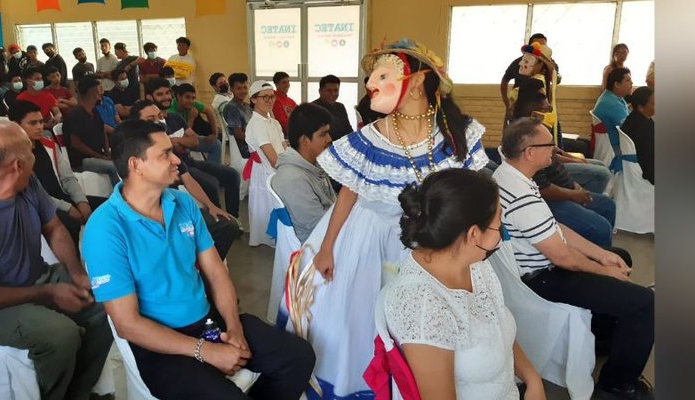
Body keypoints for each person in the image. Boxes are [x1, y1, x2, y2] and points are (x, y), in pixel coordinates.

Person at [279, 38, 489, 398]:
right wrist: (327, 248)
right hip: (371, 238)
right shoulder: (370, 137)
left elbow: (473, 192)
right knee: (366, 319)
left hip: (442, 239)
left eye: (383, 75)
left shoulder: (457, 130)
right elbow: (349, 192)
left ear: (419, 81)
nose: (370, 85)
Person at [81, 119, 315, 400]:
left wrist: (235, 329)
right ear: (136, 165)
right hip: (160, 345)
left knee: (299, 357)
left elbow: (216, 273)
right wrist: (205, 351)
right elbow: (127, 323)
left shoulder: (181, 203)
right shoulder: (105, 228)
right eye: (165, 154)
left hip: (207, 322)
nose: (176, 160)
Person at [0, 121, 113, 400]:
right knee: (62, 335)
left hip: (37, 278)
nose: (35, 153)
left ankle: (78, 391)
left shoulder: (26, 182)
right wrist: (48, 291)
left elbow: (55, 228)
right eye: (30, 150)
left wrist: (77, 273)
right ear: (16, 165)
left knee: (108, 299)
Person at [493, 117, 654, 400]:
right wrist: (604, 271)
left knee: (619, 255)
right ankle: (616, 385)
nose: (554, 151)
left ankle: (602, 336)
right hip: (541, 278)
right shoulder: (522, 196)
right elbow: (563, 257)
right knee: (645, 304)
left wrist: (603, 255)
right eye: (549, 145)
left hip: (544, 263)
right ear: (530, 152)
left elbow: (556, 227)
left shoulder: (511, 175)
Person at [378, 168, 544, 399]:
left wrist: (533, 379)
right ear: (474, 234)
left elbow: (498, 328)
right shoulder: (425, 308)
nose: (502, 232)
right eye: (499, 223)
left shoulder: (475, 265)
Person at [130, 100, 241, 259]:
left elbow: (188, 179)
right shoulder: (133, 156)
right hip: (151, 217)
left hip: (176, 209)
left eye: (160, 116)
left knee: (228, 225)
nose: (158, 121)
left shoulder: (167, 149)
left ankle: (206, 266)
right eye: (150, 119)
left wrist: (211, 206)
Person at [511, 84, 616, 247]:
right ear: (531, 106)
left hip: (563, 187)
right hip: (549, 201)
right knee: (601, 227)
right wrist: (573, 195)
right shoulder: (525, 137)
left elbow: (554, 158)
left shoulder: (536, 128)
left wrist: (575, 186)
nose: (548, 105)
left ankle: (593, 248)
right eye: (543, 100)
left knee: (608, 205)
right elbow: (542, 188)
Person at [145, 78, 242, 220]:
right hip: (174, 168)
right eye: (160, 94)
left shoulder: (175, 118)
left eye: (167, 93)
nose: (166, 97)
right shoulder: (148, 122)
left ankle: (233, 219)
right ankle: (218, 220)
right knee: (211, 184)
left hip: (189, 161)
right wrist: (181, 142)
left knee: (232, 175)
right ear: (149, 97)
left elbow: (195, 141)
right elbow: (159, 148)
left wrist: (175, 140)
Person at [9, 100, 100, 242]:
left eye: (41, 122)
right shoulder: (11, 155)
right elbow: (32, 193)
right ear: (15, 125)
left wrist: (81, 201)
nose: (40, 127)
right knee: (69, 224)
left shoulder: (49, 145)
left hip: (62, 196)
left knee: (107, 208)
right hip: (37, 205)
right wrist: (68, 208)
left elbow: (67, 177)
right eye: (33, 123)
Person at [270, 103, 335, 243]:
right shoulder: (293, 179)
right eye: (323, 134)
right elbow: (318, 224)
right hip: (316, 244)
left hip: (328, 232)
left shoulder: (313, 163)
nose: (329, 139)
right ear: (304, 140)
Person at [245, 80, 287, 247]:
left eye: (272, 97)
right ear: (254, 100)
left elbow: (284, 147)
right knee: (266, 205)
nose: (270, 101)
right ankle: (269, 237)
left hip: (279, 168)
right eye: (265, 97)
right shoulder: (256, 124)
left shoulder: (273, 122)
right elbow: (272, 158)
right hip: (267, 172)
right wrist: (288, 171)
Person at [63, 76, 121, 187]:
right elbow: (76, 143)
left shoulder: (94, 111)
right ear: (95, 94)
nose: (101, 93)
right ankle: (121, 197)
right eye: (99, 90)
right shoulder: (75, 114)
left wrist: (106, 151)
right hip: (82, 160)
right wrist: (99, 156)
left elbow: (102, 131)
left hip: (98, 155)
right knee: (113, 167)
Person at [170, 83, 222, 164]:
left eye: (193, 98)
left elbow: (209, 111)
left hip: (190, 138)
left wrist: (214, 133)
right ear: (179, 97)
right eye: (187, 97)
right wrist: (191, 118)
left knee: (216, 144)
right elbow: (183, 138)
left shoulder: (192, 104)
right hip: (178, 144)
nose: (191, 101)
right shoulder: (171, 111)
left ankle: (211, 170)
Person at [593, 67, 633, 170]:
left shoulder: (613, 97)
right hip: (617, 147)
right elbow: (629, 130)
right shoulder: (612, 104)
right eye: (627, 80)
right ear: (616, 84)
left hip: (614, 144)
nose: (632, 83)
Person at [222, 73, 254, 181]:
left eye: (245, 87)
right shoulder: (232, 108)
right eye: (239, 88)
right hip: (244, 148)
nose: (243, 91)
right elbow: (239, 135)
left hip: (251, 144)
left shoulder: (247, 106)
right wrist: (257, 141)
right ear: (232, 89)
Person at [621, 86, 655, 184]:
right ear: (641, 107)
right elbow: (649, 162)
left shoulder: (633, 118)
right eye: (653, 104)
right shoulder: (644, 128)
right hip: (646, 171)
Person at [311, 74, 353, 140]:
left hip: (341, 146)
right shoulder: (312, 109)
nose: (333, 94)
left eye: (336, 90)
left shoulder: (340, 107)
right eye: (329, 90)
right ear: (320, 91)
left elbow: (348, 130)